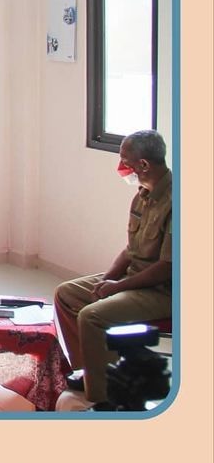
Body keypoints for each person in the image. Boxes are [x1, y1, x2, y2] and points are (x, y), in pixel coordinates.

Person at [53, 130, 172, 408]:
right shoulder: (143, 195)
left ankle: (104, 399)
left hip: (163, 290)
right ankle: (89, 371)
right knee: (66, 293)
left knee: (92, 316)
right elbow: (130, 250)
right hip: (135, 278)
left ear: (144, 164)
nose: (121, 167)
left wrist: (118, 287)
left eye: (124, 160)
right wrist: (107, 281)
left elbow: (167, 267)